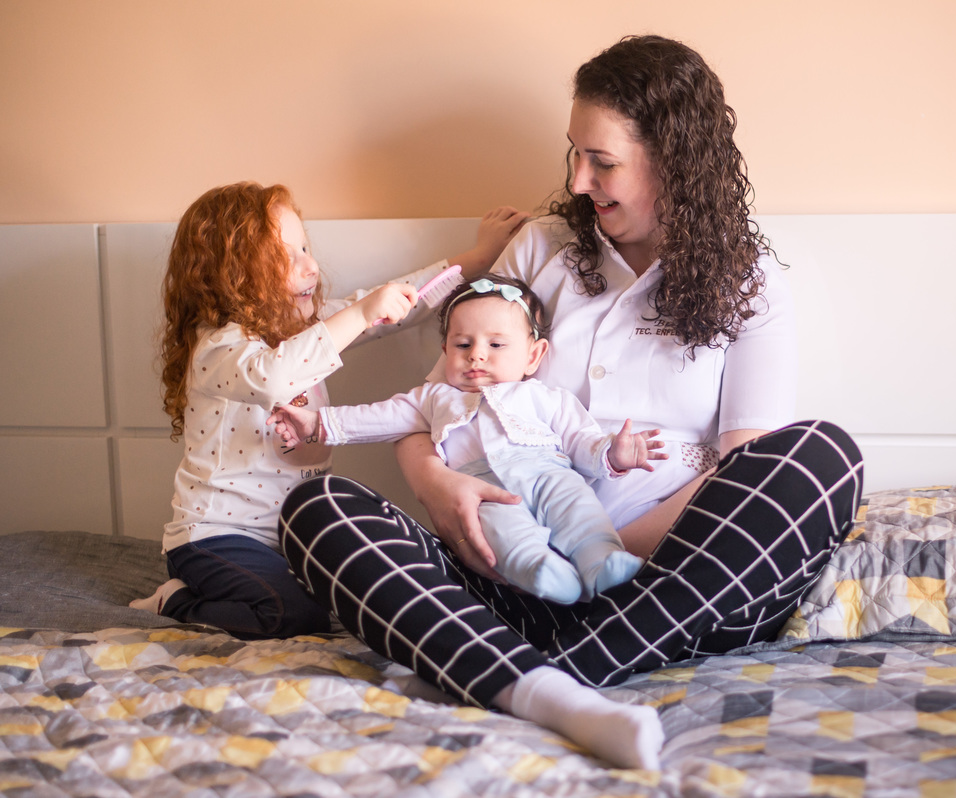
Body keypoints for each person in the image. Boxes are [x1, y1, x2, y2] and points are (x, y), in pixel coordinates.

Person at [277, 36, 864, 771]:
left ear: (675, 159)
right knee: (316, 510)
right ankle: (552, 680)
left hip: (670, 585)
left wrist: (598, 545)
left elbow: (746, 472)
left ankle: (545, 677)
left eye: (603, 162)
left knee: (822, 457)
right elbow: (434, 404)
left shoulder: (750, 282)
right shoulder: (541, 249)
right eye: (574, 155)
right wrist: (440, 490)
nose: (579, 181)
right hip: (506, 567)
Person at [129, 181, 528, 639]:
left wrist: (476, 259)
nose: (311, 265)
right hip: (217, 537)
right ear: (231, 275)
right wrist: (359, 314)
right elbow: (273, 376)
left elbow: (400, 306)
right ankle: (176, 599)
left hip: (290, 539)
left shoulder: (303, 328)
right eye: (285, 257)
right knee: (292, 617)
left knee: (355, 595)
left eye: (305, 248)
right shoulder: (218, 347)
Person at [268, 275, 664, 604]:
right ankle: (538, 569)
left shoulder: (546, 397)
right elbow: (375, 418)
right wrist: (314, 423)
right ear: (446, 351)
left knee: (580, 512)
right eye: (463, 345)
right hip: (482, 489)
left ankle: (603, 561)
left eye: (496, 345)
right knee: (500, 532)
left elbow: (582, 440)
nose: (477, 355)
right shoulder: (433, 398)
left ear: (533, 355)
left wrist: (613, 453)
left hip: (550, 474)